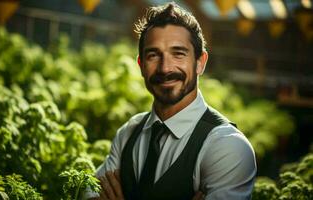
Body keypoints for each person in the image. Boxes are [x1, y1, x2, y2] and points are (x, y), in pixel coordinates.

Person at [85, 2, 257, 200]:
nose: (165, 68)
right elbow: (88, 192)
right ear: (141, 65)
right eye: (153, 55)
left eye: (178, 54)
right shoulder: (128, 133)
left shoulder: (228, 147)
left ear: (200, 62)